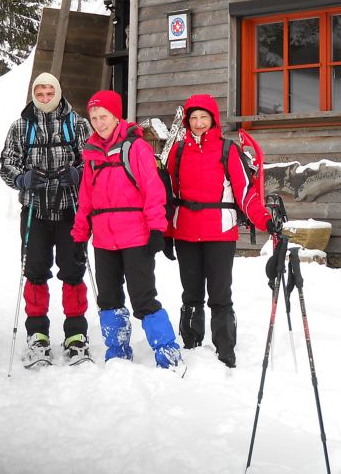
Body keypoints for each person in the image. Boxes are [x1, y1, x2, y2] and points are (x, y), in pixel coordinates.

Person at [71, 90, 183, 371]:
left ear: (115, 115)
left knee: (143, 297)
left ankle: (168, 352)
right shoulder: (92, 154)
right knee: (108, 298)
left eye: (103, 116)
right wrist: (79, 235)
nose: (99, 122)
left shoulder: (136, 148)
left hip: (136, 236)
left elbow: (153, 190)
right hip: (104, 240)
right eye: (94, 117)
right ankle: (117, 351)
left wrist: (158, 228)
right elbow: (86, 198)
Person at [166, 94, 270, 368]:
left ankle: (225, 347)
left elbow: (246, 194)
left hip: (219, 232)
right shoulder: (177, 152)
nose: (198, 123)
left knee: (220, 293)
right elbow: (168, 195)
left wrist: (265, 220)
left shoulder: (228, 150)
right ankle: (190, 344)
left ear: (213, 119)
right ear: (187, 121)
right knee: (190, 293)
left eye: (204, 117)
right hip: (185, 231)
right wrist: (166, 233)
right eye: (193, 118)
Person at [0, 72, 93, 366]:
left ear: (58, 92)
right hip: (35, 212)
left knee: (73, 270)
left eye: (48, 92)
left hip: (70, 210)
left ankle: (76, 335)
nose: (44, 98)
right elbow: (7, 164)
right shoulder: (21, 126)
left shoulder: (77, 124)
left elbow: (92, 159)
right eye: (39, 93)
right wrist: (23, 178)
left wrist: (77, 173)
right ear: (33, 95)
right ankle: (37, 335)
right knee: (35, 271)